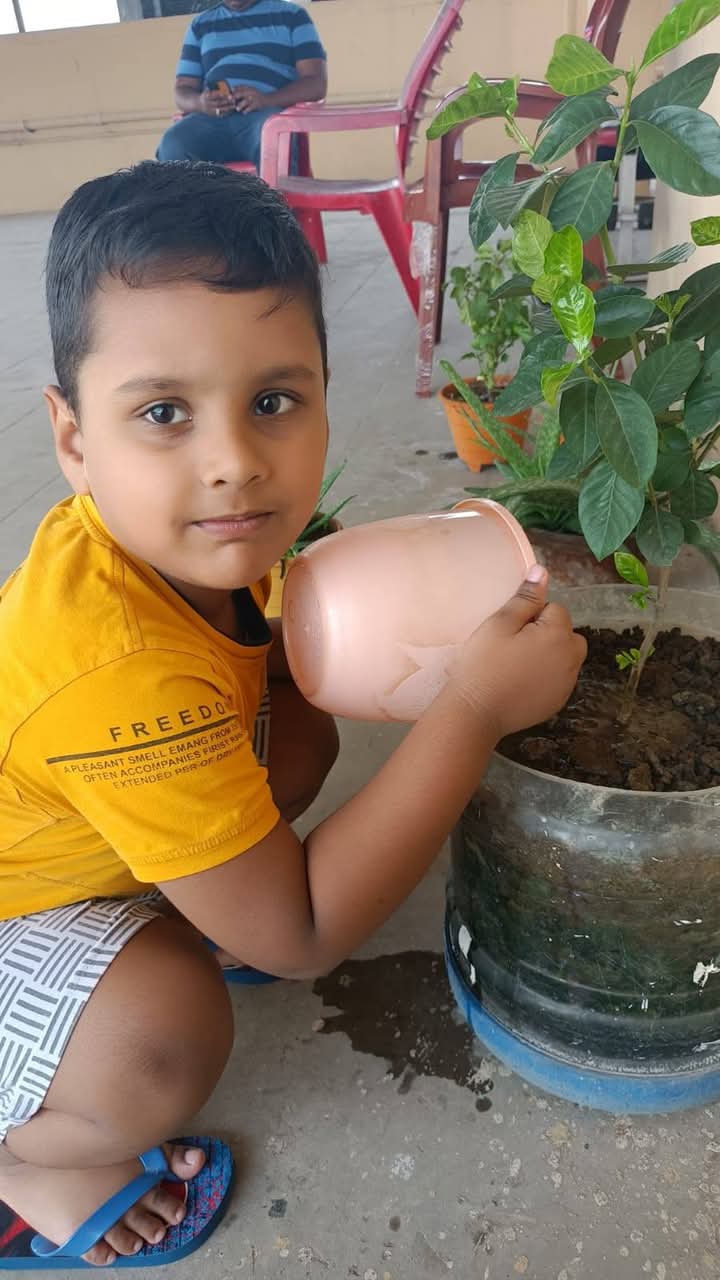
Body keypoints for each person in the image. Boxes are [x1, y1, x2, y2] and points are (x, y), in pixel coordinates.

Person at [0, 160, 586, 1269]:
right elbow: (305, 935)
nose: (234, 465)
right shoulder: (114, 666)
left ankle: (184, 907)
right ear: (74, 439)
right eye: (163, 413)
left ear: (323, 385)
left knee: (301, 716)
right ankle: (21, 1154)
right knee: (163, 1039)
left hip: (75, 847)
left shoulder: (185, 547)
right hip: (11, 911)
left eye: (274, 401)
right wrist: (467, 708)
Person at [156, 0, 327, 169]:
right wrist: (201, 103)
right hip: (211, 120)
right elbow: (182, 90)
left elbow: (316, 83)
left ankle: (271, 198)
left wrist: (267, 100)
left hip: (266, 118)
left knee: (273, 141)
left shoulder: (292, 16)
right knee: (174, 144)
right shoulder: (200, 25)